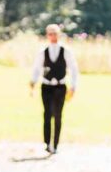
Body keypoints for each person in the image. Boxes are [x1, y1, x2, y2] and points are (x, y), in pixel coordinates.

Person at [29, 23, 79, 154]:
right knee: (47, 114)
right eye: (50, 34)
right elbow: (36, 68)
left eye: (55, 33)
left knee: (58, 115)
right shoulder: (43, 52)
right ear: (47, 35)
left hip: (60, 87)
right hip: (46, 87)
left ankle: (55, 144)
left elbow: (73, 68)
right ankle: (47, 142)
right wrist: (33, 82)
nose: (52, 36)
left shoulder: (66, 51)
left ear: (59, 35)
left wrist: (73, 86)